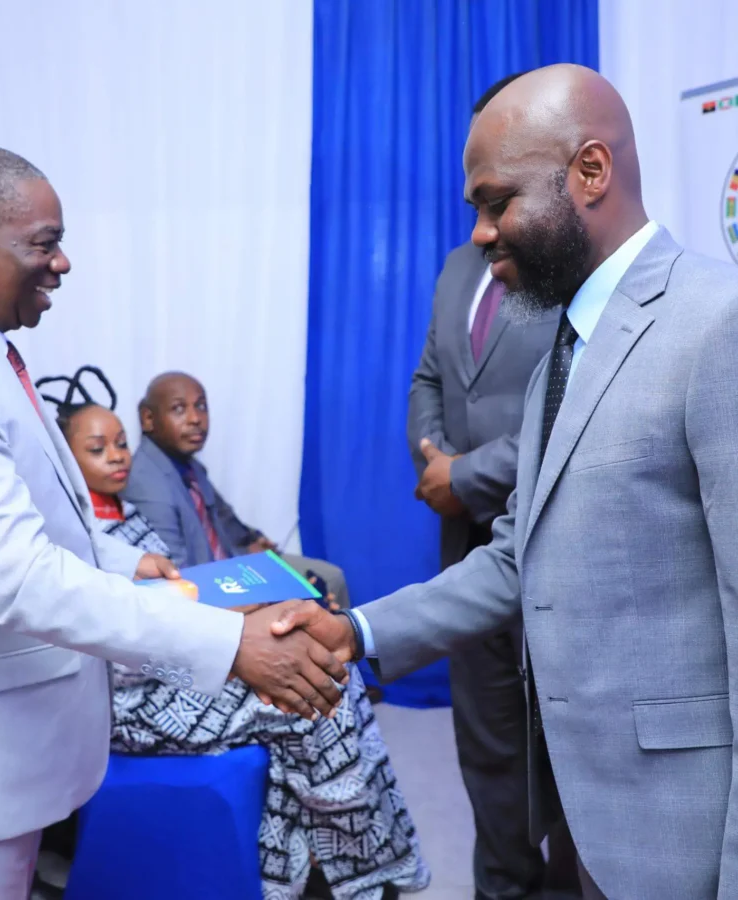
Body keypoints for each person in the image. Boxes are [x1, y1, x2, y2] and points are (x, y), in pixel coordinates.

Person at [273, 63, 738, 900]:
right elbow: (517, 555)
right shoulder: (566, 343)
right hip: (592, 825)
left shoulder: (718, 324)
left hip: (685, 837)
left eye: (498, 202)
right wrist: (355, 632)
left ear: (590, 171)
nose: (481, 234)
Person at [0, 143, 347, 899]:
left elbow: (30, 520)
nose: (63, 263)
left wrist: (125, 561)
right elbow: (21, 577)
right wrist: (227, 642)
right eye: (44, 243)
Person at [39, 366, 430, 900]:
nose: (117, 456)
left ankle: (346, 860)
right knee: (308, 699)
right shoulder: (68, 537)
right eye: (96, 448)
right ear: (65, 462)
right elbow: (122, 631)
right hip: (132, 692)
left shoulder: (129, 517)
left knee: (332, 679)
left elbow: (188, 587)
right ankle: (348, 870)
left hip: (177, 659)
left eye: (120, 443)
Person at [408, 72, 578, 900]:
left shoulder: (566, 265)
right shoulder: (457, 265)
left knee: (562, 746)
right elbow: (430, 377)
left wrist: (465, 476)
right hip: (462, 537)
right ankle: (502, 885)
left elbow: (576, 405)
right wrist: (431, 460)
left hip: (553, 536)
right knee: (485, 742)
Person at [124, 371, 349, 609]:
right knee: (318, 594)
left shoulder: (188, 466)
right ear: (148, 418)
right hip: (214, 586)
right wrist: (270, 597)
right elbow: (178, 577)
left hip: (235, 561)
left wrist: (252, 539)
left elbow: (225, 518)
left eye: (201, 406)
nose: (195, 418)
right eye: (179, 409)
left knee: (330, 578)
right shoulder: (146, 483)